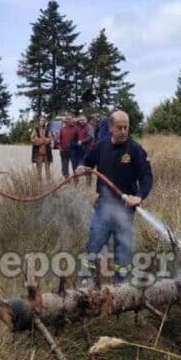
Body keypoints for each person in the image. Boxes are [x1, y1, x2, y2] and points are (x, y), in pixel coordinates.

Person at [76, 110, 153, 284]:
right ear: (110, 127)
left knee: (123, 251)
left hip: (125, 210)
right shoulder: (101, 146)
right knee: (94, 244)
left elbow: (147, 178)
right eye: (120, 127)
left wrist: (139, 197)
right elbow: (87, 162)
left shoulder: (135, 149)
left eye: (126, 127)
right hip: (103, 207)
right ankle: (86, 285)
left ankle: (121, 288)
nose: (124, 131)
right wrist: (81, 167)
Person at [30, 115, 53, 181]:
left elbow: (50, 139)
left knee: (47, 169)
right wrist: (41, 141)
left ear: (45, 122)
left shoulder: (47, 130)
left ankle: (49, 183)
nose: (42, 122)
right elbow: (32, 139)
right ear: (39, 121)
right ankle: (39, 183)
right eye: (41, 120)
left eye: (43, 120)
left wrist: (44, 140)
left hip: (47, 152)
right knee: (39, 170)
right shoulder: (36, 129)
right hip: (38, 152)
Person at [57, 113, 79, 179]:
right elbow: (59, 139)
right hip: (64, 151)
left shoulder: (76, 128)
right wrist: (60, 147)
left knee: (75, 166)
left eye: (70, 119)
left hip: (73, 151)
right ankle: (66, 181)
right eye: (67, 119)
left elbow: (78, 140)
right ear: (65, 120)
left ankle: (76, 181)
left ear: (72, 119)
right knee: (64, 167)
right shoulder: (62, 129)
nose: (68, 120)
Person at [74, 114, 94, 184]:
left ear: (86, 120)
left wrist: (82, 141)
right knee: (79, 166)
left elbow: (91, 137)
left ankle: (88, 184)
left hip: (88, 150)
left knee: (88, 167)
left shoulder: (89, 127)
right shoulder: (78, 127)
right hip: (80, 151)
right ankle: (76, 183)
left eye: (83, 120)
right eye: (80, 120)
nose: (81, 121)